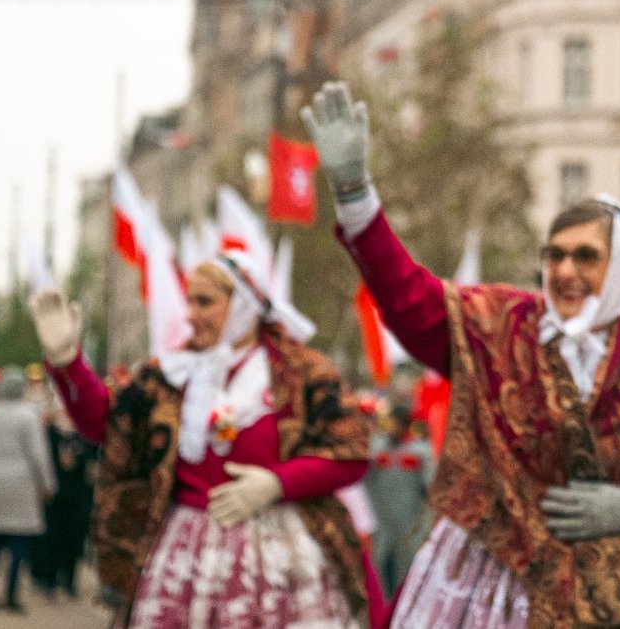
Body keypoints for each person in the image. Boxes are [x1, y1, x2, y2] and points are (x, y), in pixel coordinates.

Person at [303, 82, 620, 627]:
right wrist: (354, 195)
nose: (564, 272)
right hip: (494, 583)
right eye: (554, 256)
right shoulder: (502, 323)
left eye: (586, 256)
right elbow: (408, 299)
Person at [30, 249, 384, 627]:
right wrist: (68, 363)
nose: (191, 315)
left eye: (205, 302)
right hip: (187, 555)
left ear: (244, 306)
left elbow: (350, 452)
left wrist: (277, 484)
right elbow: (107, 425)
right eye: (189, 302)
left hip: (279, 553)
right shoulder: (171, 373)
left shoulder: (301, 372)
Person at [0, 376, 56, 612]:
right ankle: (10, 594)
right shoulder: (28, 416)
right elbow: (39, 454)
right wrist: (47, 483)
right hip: (22, 480)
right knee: (19, 540)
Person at [362, 402, 433, 597]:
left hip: (410, 523)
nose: (389, 427)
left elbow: (431, 488)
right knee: (379, 572)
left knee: (409, 573)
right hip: (381, 522)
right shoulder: (375, 448)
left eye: (394, 423)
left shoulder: (420, 451)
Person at [30, 407, 95, 600]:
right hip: (54, 494)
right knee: (52, 537)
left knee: (73, 540)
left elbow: (90, 462)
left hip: (77, 495)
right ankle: (48, 578)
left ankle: (69, 579)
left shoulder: (85, 436)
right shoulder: (50, 433)